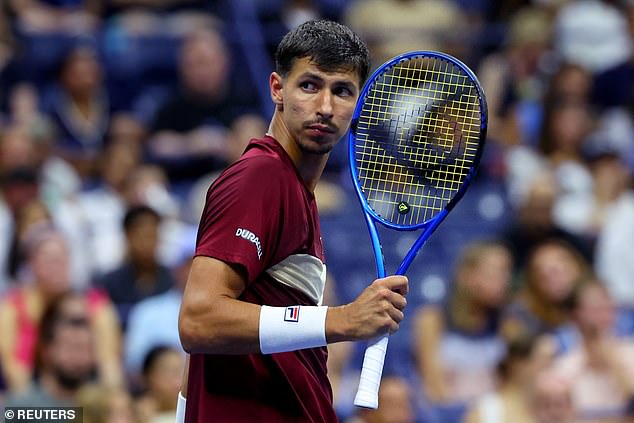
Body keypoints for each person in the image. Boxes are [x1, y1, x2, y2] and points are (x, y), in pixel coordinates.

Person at [177, 19, 409, 423]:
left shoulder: (294, 191)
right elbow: (199, 320)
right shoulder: (260, 178)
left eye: (342, 91)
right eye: (309, 85)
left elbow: (215, 344)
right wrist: (341, 320)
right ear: (277, 89)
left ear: (358, 106)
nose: (325, 107)